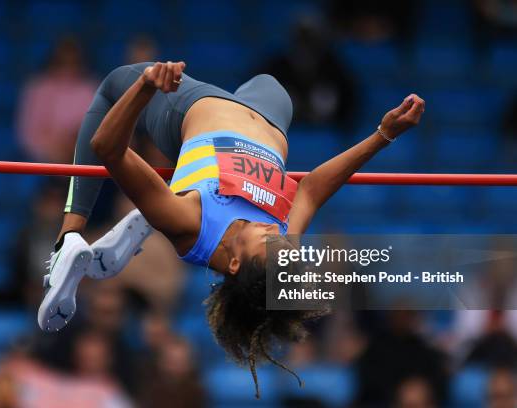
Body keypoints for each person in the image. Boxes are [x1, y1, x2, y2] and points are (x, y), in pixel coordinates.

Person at [38, 61, 425, 396]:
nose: (276, 233)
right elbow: (311, 187)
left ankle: (68, 237)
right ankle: (152, 205)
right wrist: (383, 135)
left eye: (268, 244)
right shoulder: (281, 242)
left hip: (192, 110)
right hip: (267, 113)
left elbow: (107, 147)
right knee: (273, 83)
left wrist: (145, 87)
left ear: (236, 265)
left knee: (111, 87)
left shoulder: (191, 222)